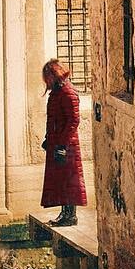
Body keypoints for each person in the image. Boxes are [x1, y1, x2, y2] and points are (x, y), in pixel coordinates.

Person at [40, 58, 86, 226]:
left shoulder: (68, 92)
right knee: (60, 179)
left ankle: (70, 215)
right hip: (57, 141)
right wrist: (48, 138)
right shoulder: (58, 92)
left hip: (66, 144)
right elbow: (53, 118)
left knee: (69, 180)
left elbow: (73, 120)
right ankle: (64, 213)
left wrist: (62, 145)